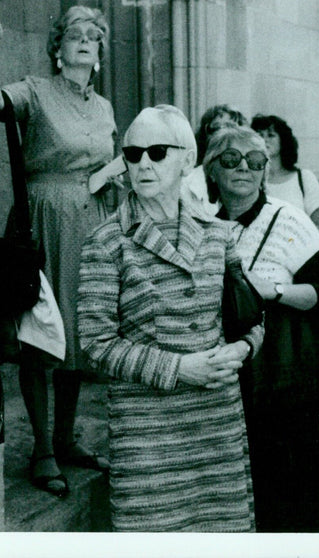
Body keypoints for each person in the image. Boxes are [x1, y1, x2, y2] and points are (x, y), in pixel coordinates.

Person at [77, 105, 263, 531]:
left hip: (214, 423)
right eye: (132, 153)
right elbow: (96, 342)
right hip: (149, 433)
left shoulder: (217, 233)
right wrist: (181, 368)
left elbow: (251, 316)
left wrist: (242, 348)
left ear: (189, 158)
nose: (142, 163)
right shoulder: (106, 241)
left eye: (157, 152)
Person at [0, 0, 118, 497]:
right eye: (75, 36)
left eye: (92, 37)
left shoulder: (104, 107)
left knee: (77, 334)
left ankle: (65, 438)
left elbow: (108, 161)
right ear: (59, 49)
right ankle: (41, 449)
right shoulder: (36, 90)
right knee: (42, 335)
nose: (84, 43)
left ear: (100, 51)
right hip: (44, 220)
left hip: (94, 222)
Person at [205, 125, 319, 531]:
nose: (244, 169)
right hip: (228, 376)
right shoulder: (203, 226)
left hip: (282, 373)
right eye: (231, 160)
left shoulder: (288, 220)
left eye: (255, 162)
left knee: (290, 493)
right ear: (212, 170)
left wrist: (275, 290)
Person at [251, 113, 319, 239]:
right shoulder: (250, 181)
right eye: (259, 135)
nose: (264, 140)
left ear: (283, 141)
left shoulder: (304, 178)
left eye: (271, 135)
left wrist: (289, 242)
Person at [182, 104, 247, 216]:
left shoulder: (252, 177)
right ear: (206, 135)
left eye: (231, 127)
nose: (224, 134)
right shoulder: (187, 183)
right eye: (217, 128)